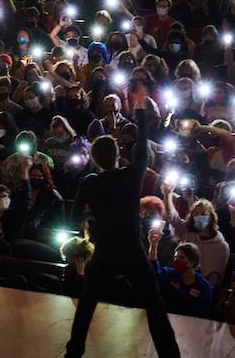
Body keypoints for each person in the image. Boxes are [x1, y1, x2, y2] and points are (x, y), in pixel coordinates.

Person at [66, 84, 180, 358]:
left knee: (87, 303)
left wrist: (94, 220)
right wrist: (140, 109)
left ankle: (74, 352)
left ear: (93, 159)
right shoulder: (132, 175)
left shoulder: (90, 182)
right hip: (132, 250)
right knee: (153, 304)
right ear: (119, 155)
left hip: (104, 251)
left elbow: (74, 217)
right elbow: (142, 144)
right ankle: (170, 356)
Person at [148, 232, 214, 319]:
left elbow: (204, 313)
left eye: (182, 258)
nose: (177, 260)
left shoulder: (203, 287)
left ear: (192, 262)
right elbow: (153, 270)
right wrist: (153, 245)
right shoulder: (170, 274)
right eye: (176, 257)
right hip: (168, 320)